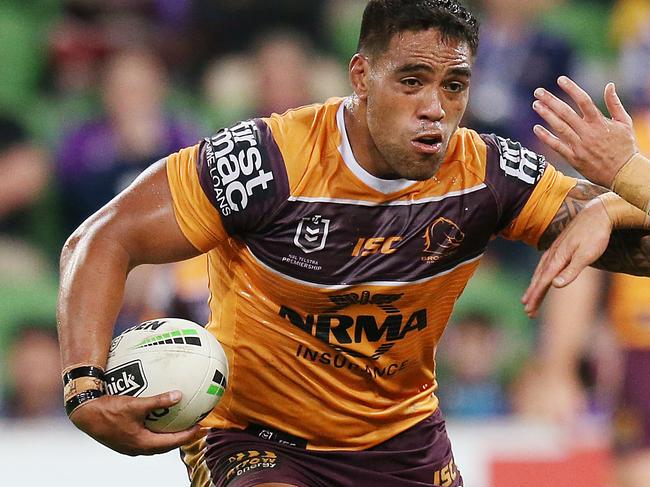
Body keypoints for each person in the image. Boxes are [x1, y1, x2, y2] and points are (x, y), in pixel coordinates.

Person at [57, 2, 650, 486]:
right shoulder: (268, 162)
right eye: (412, 81)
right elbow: (102, 239)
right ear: (361, 76)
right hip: (258, 439)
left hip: (403, 442)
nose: (435, 110)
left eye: (455, 86)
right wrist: (83, 389)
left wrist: (614, 194)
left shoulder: (485, 173)